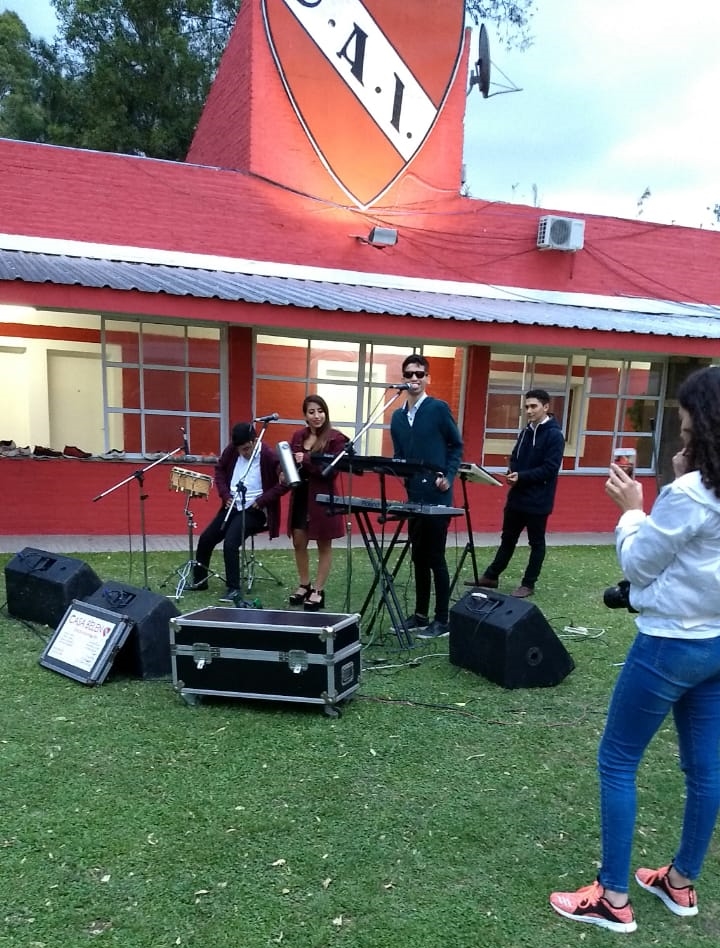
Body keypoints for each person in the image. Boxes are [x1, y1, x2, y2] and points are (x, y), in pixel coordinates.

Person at [549, 365, 720, 934]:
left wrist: (630, 507)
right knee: (705, 769)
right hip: (715, 644)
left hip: (670, 644)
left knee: (618, 760)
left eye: (686, 426)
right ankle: (681, 881)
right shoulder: (699, 489)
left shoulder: (689, 495)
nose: (681, 434)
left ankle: (612, 897)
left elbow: (639, 564)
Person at [390, 353, 463, 639]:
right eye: (409, 374)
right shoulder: (397, 417)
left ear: (427, 378)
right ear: (403, 378)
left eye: (419, 374)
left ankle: (442, 619)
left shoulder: (438, 409)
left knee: (435, 557)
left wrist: (449, 476)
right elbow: (400, 457)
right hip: (414, 497)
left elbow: (456, 445)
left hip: (438, 495)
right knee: (418, 556)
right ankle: (420, 615)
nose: (414, 379)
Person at [477, 388, 564, 597]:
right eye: (526, 407)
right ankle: (491, 576)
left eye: (533, 406)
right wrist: (511, 473)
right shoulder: (525, 432)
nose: (529, 411)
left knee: (536, 543)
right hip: (517, 497)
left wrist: (521, 476)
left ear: (546, 407)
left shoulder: (554, 435)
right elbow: (515, 457)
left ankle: (528, 584)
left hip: (538, 500)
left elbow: (550, 468)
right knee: (507, 538)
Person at [192, 422, 287, 601]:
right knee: (206, 539)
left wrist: (263, 500)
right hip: (232, 505)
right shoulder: (232, 451)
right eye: (240, 450)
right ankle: (199, 581)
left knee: (230, 543)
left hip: (255, 510)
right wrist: (225, 494)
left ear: (254, 441)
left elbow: (285, 482)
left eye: (247, 449)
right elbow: (220, 470)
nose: (244, 453)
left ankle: (233, 588)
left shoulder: (268, 455)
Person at [286, 395, 349, 611]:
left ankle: (318, 591)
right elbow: (287, 461)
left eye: (320, 411)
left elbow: (329, 472)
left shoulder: (335, 439)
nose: (316, 416)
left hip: (322, 498)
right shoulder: (298, 436)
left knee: (324, 544)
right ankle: (304, 584)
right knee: (298, 541)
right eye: (311, 412)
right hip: (300, 495)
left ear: (326, 413)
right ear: (305, 415)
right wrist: (282, 471)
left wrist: (306, 460)